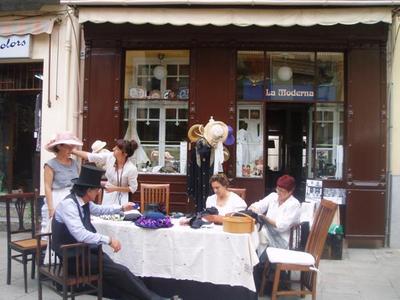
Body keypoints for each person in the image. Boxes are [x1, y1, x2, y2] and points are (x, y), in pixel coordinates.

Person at [52, 164, 167, 300]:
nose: (98, 193)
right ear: (88, 191)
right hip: (72, 257)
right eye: (97, 190)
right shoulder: (68, 205)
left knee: (118, 275)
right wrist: (109, 240)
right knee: (120, 272)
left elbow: (100, 210)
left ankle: (151, 297)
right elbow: (80, 234)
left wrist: (121, 208)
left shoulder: (84, 201)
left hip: (84, 251)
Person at [249, 175, 301, 259]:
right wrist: (254, 209)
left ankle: (258, 264)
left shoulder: (294, 204)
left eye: (282, 191)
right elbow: (257, 206)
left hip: (284, 239)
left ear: (290, 191)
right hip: (269, 233)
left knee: (258, 232)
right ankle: (257, 262)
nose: (278, 192)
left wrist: (264, 217)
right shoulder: (273, 196)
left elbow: (281, 226)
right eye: (277, 189)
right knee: (254, 231)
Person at [72, 139, 138, 205]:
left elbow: (133, 188)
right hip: (108, 195)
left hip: (122, 199)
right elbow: (90, 156)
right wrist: (73, 151)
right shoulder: (110, 156)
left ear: (125, 153)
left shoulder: (131, 168)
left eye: (117, 149)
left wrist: (115, 188)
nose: (113, 149)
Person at [41, 131, 83, 233]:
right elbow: (47, 186)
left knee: (74, 228)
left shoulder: (74, 163)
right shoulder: (50, 164)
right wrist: (51, 208)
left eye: (72, 147)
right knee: (57, 229)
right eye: (68, 147)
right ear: (59, 146)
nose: (71, 150)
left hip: (73, 197)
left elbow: (79, 182)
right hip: (58, 198)